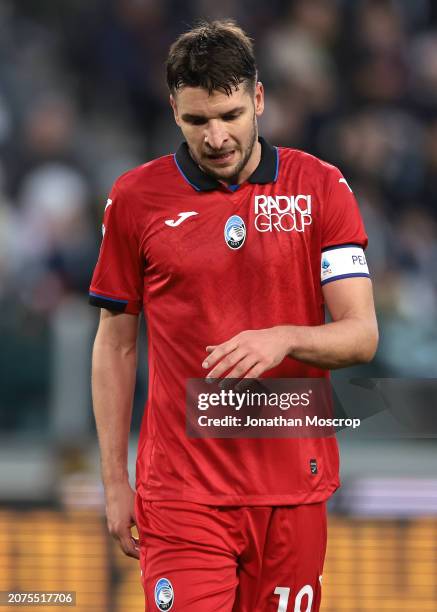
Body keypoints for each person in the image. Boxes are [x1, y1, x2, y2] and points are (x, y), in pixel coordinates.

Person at [89, 19, 378, 612]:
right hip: (182, 494)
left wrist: (285, 338)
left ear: (259, 100)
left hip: (293, 487)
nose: (216, 137)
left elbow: (362, 335)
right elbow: (115, 345)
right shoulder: (135, 200)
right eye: (197, 121)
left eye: (231, 115)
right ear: (173, 110)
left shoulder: (321, 188)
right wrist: (115, 483)